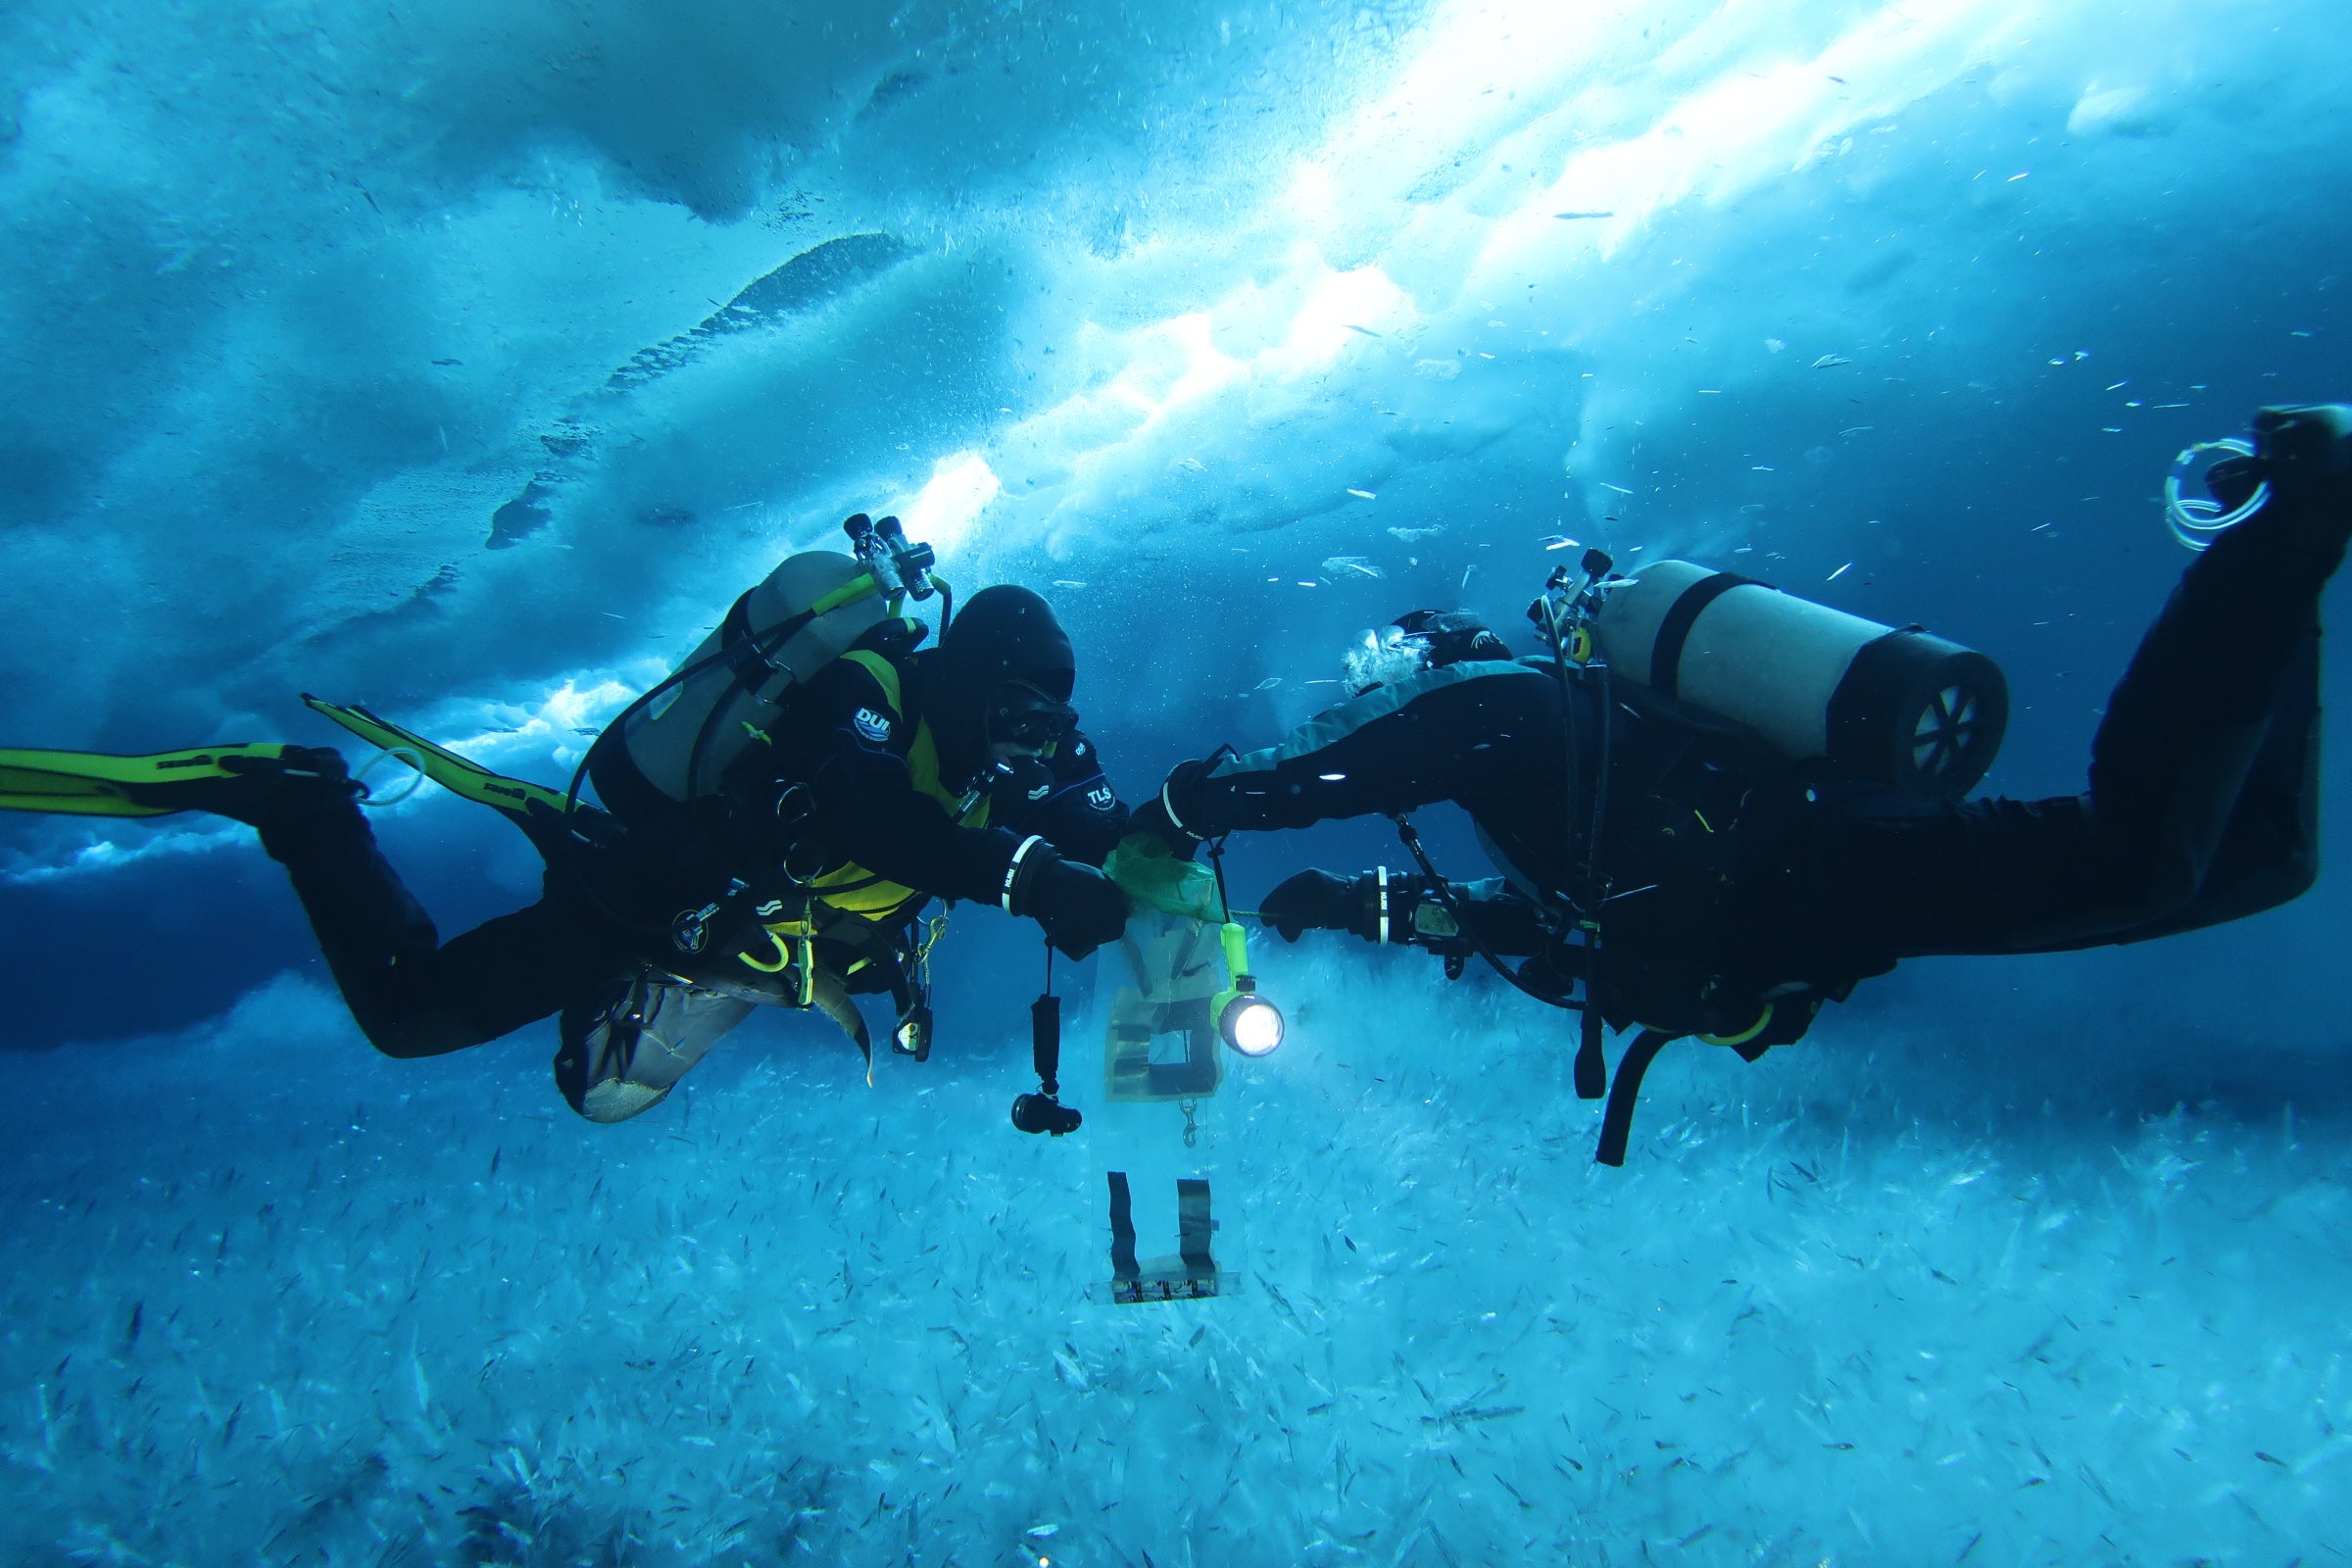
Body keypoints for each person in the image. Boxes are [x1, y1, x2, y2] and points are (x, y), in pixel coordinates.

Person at [1133, 406, 2352, 1162]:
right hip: (1805, 914)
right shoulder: (1550, 781)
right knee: (2260, 862)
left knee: (2139, 856)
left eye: (1397, 675)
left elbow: (1355, 759)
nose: (1384, 694)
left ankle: (2292, 518)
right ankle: (2292, 560)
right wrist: (1363, 911)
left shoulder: (1504, 703)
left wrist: (1197, 801)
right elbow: (1552, 929)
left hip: (1818, 866)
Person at [0, 526, 1134, 1121]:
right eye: (1021, 714)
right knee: (412, 1018)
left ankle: (620, 1008)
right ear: (969, 679)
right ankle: (299, 805)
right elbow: (872, 818)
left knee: (597, 1090)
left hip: (754, 939)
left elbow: (1097, 823)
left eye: (1050, 724)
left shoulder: (999, 756)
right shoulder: (869, 693)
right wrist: (1030, 880)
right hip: (655, 884)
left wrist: (1173, 824)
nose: (1032, 745)